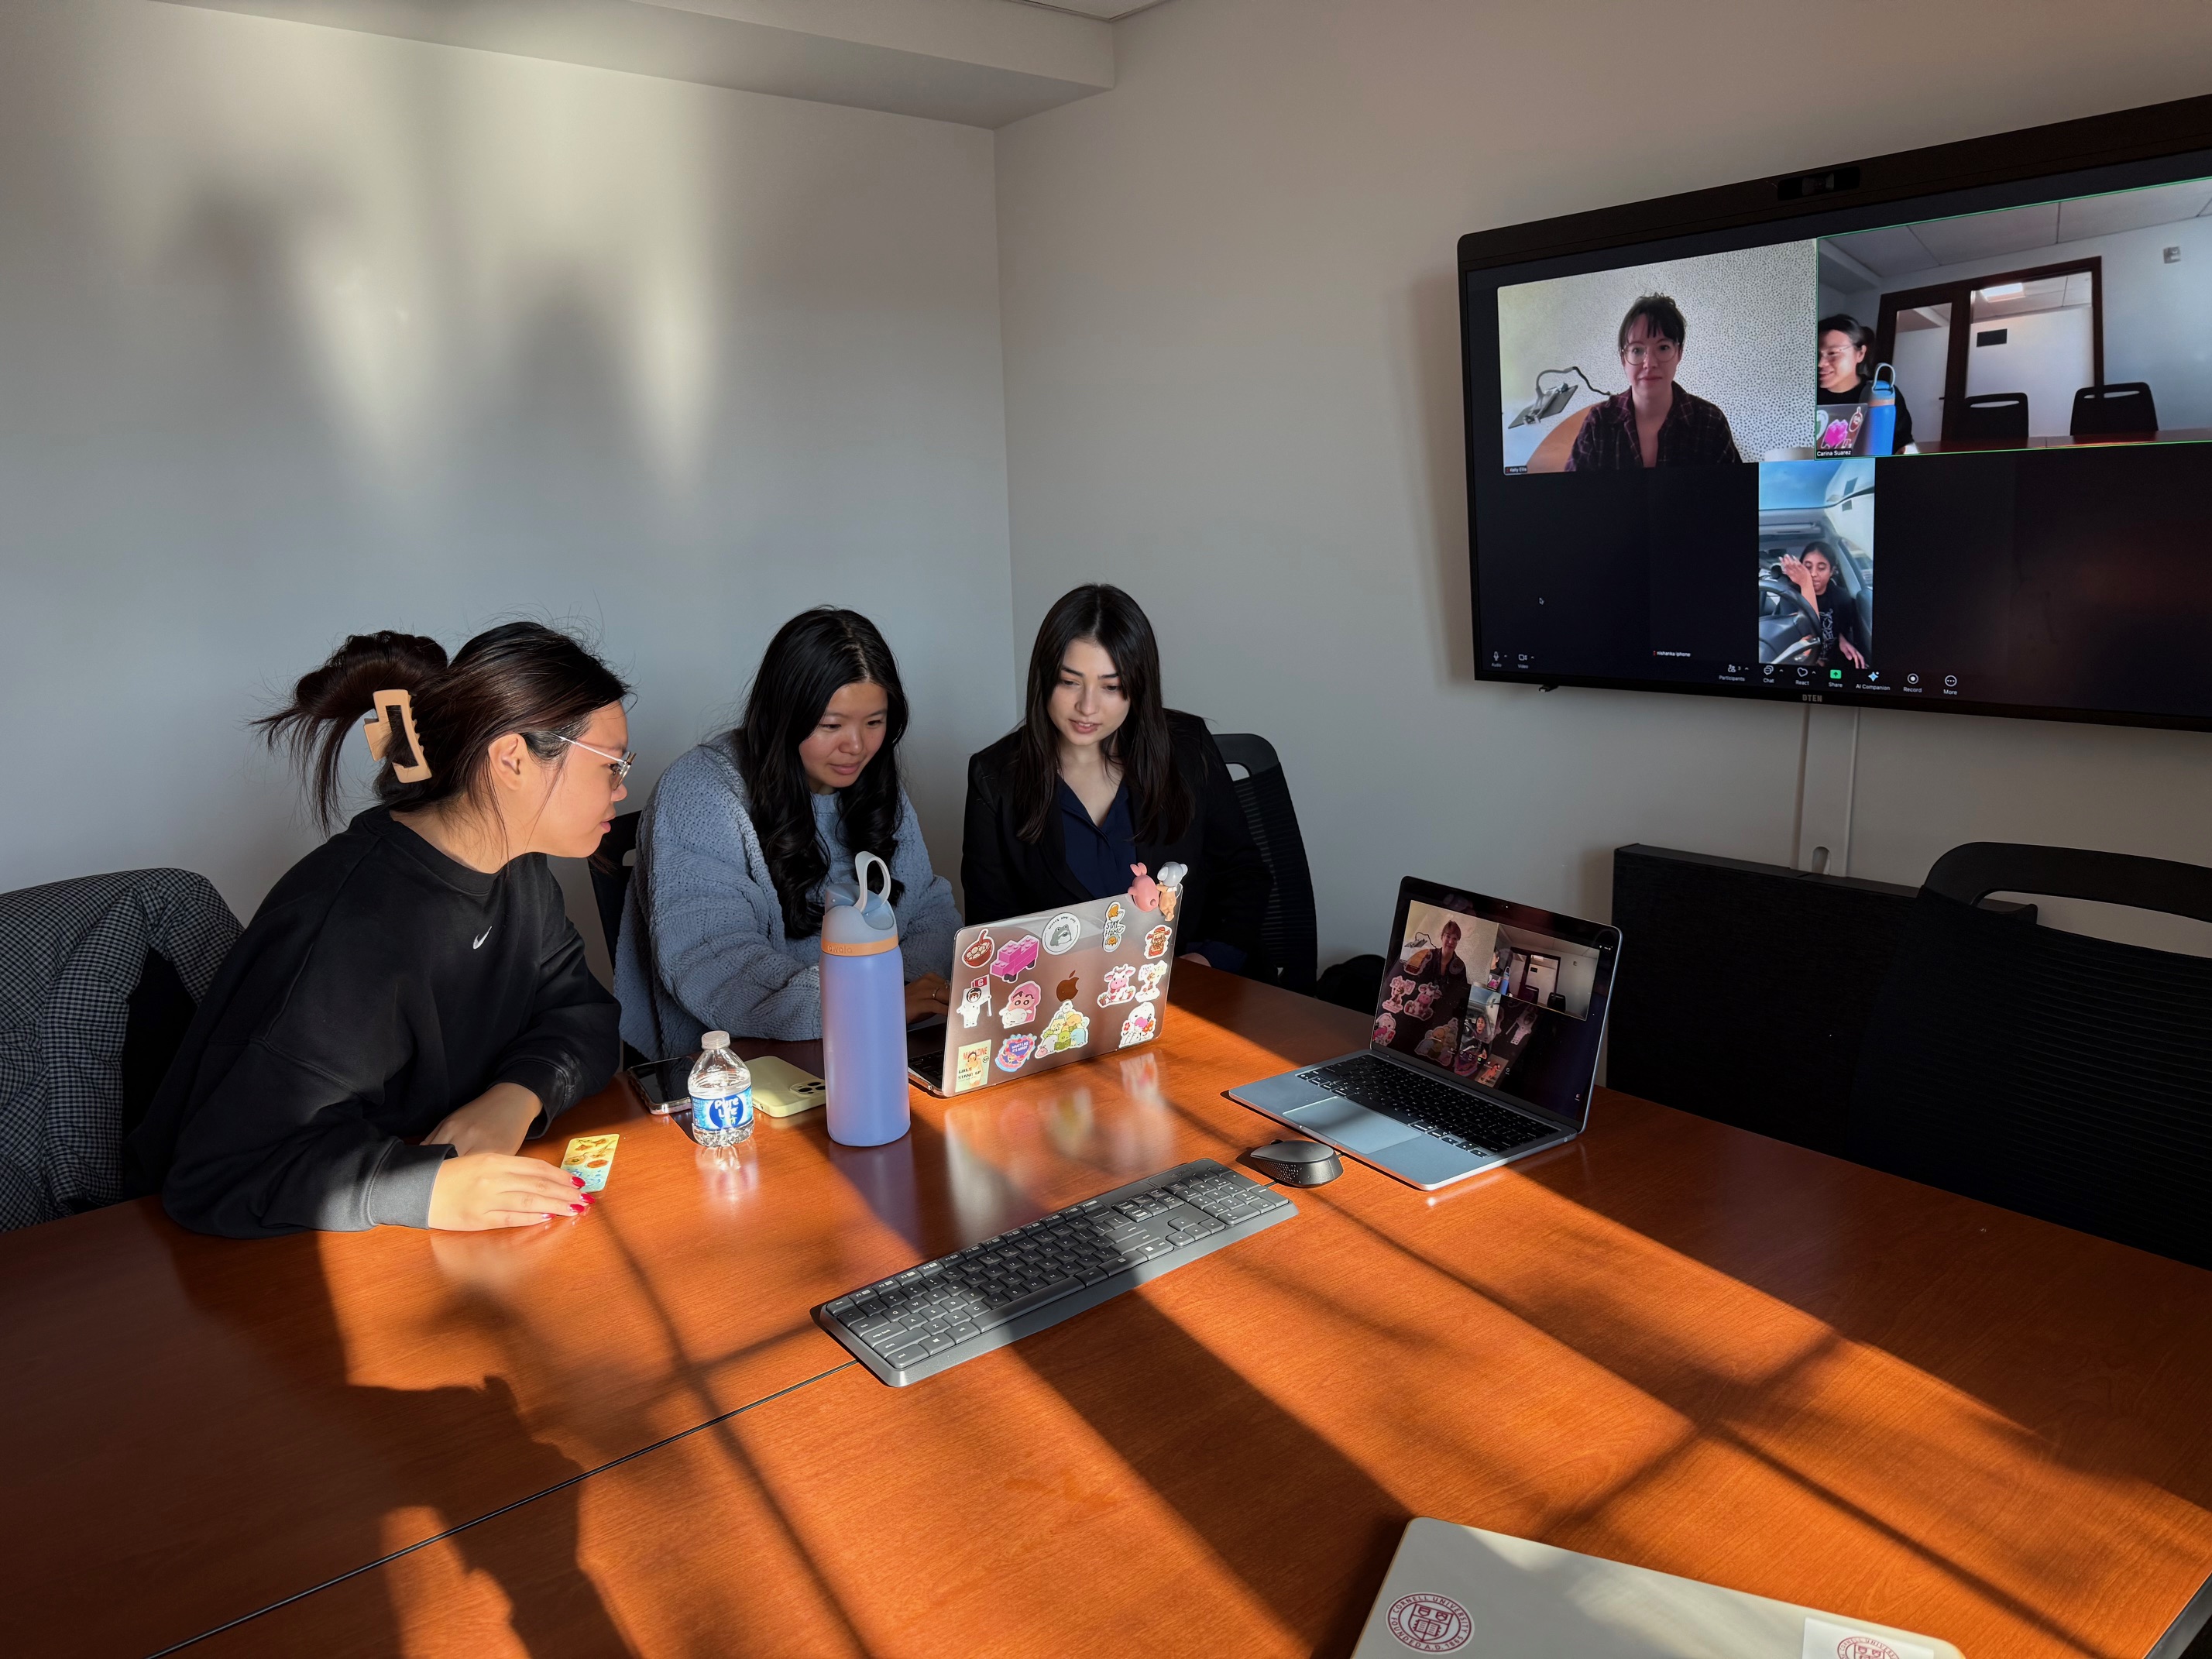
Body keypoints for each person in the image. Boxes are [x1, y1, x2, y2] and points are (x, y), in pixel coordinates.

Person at [125, 624, 630, 1237]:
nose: (623, 788)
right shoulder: (354, 927)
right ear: (512, 760)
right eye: (611, 764)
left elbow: (582, 1014)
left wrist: (517, 1096)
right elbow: (222, 1173)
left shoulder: (517, 867)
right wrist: (427, 1189)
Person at [617, 608, 960, 1050]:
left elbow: (928, 909)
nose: (856, 746)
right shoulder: (701, 790)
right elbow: (713, 962)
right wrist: (872, 1000)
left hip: (878, 1039)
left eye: (875, 722)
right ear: (783, 715)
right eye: (830, 725)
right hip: (739, 1064)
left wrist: (900, 999)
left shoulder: (871, 780)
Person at [962, 584, 1270, 974]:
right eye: (1070, 682)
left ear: (1136, 689)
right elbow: (992, 932)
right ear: (1044, 679)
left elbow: (1245, 874)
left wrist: (1207, 962)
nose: (1087, 707)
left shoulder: (1187, 748)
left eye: (1111, 687)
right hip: (1068, 1004)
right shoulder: (996, 779)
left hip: (1196, 992)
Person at [1565, 294, 1741, 470]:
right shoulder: (1598, 424)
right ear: (1623, 359)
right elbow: (1574, 495)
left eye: (1663, 347)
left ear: (1679, 353)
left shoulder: (1710, 422)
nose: (1649, 364)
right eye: (1637, 350)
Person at [1817, 314, 1915, 450]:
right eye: (1816, 354)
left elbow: (1902, 442)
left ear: (1860, 353)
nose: (1820, 363)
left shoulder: (1883, 395)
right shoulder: (1800, 398)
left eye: (1833, 353)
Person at [1378, 920, 1472, 1057]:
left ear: (1458, 941)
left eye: (1455, 938)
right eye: (1448, 936)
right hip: (1415, 1011)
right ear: (1442, 937)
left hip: (1439, 1018)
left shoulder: (1460, 966)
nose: (1450, 941)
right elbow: (1413, 981)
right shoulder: (1426, 955)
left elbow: (1458, 996)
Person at [1777, 544, 1868, 668]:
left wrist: (1842, 639)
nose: (1813, 574)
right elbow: (1808, 634)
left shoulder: (1841, 597)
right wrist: (1806, 584)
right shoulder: (1789, 596)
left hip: (1831, 658)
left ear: (1831, 571)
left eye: (1821, 568)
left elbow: (1840, 627)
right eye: (1808, 567)